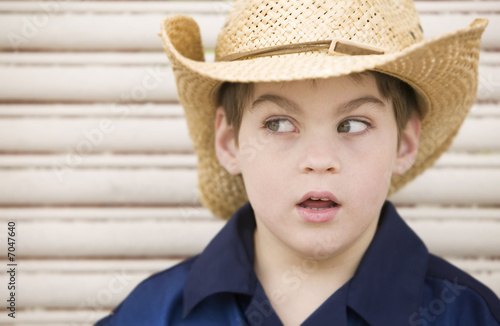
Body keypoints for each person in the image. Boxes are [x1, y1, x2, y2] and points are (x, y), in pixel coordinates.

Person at [96, 0, 500, 325]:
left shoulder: (468, 314)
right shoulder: (151, 314)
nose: (319, 161)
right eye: (278, 123)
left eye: (354, 124)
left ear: (405, 142)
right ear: (228, 141)